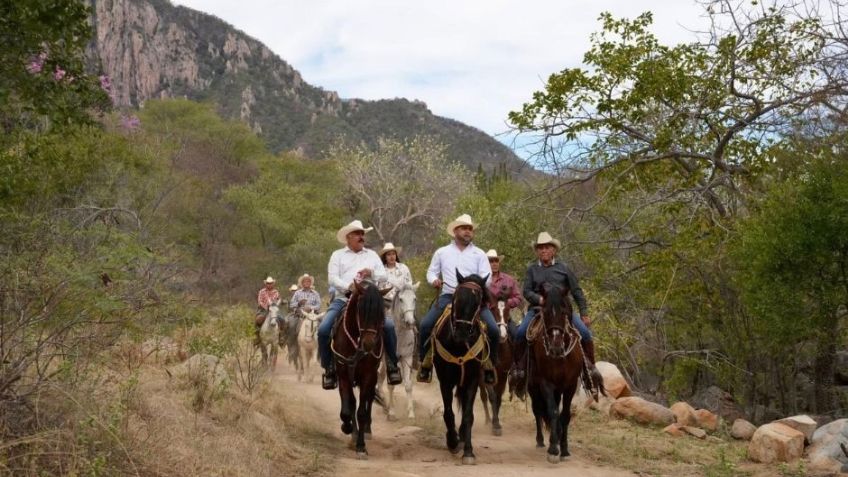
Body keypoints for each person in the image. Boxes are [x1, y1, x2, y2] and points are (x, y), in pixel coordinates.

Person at [317, 219, 403, 390]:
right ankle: (329, 368)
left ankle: (393, 365)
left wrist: (371, 272)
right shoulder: (337, 255)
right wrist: (348, 286)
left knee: (389, 326)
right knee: (324, 329)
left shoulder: (371, 255)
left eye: (362, 233)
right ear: (348, 237)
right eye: (357, 233)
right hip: (344, 298)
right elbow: (332, 278)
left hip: (369, 300)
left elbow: (383, 276)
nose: (361, 236)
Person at [416, 214, 500, 384]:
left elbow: (487, 276)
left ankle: (490, 365)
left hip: (474, 300)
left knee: (493, 329)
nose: (468, 231)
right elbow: (431, 272)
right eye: (464, 228)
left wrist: (474, 285)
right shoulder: (442, 252)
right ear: (455, 231)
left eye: (470, 229)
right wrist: (434, 280)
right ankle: (425, 364)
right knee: (425, 325)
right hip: (448, 296)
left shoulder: (479, 254)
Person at [510, 232, 599, 390]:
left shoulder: (564, 268)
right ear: (537, 251)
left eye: (547, 247)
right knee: (520, 332)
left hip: (562, 311)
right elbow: (527, 291)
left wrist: (584, 312)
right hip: (539, 310)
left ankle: (590, 369)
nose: (544, 250)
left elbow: (577, 291)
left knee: (585, 333)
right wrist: (540, 300)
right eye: (540, 248)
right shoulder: (532, 269)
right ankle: (519, 369)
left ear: (553, 250)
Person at [485, 249, 521, 339]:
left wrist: (508, 303)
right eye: (491, 261)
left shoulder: (509, 279)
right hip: (487, 317)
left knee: (516, 336)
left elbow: (518, 297)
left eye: (496, 261)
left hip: (505, 317)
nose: (494, 264)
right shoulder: (483, 280)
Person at [256, 276, 281, 343]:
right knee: (258, 320)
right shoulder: (262, 291)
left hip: (273, 309)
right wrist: (266, 307)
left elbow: (278, 300)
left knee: (282, 319)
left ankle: (281, 336)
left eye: (271, 283)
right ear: (266, 284)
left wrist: (275, 306)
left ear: (273, 284)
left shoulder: (276, 292)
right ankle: (257, 336)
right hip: (263, 309)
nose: (269, 284)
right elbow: (259, 301)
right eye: (268, 283)